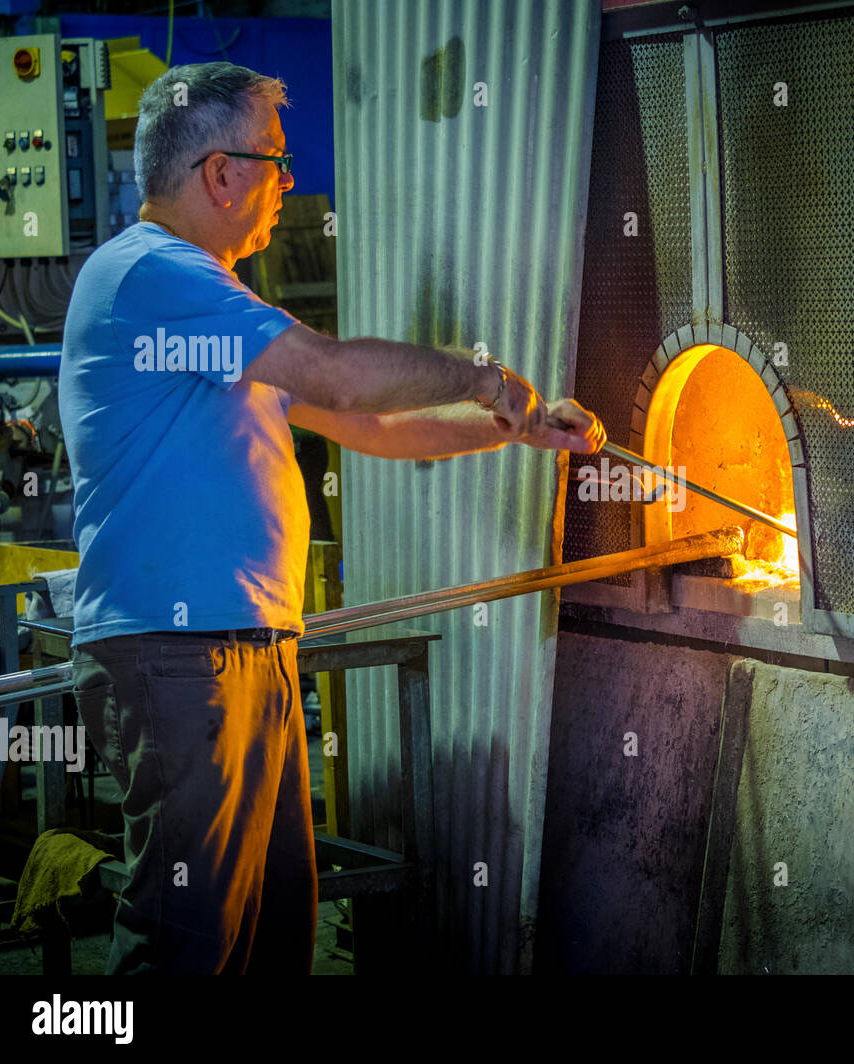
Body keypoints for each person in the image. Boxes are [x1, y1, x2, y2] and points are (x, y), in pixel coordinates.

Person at [57, 61, 605, 974]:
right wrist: (481, 376)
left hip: (248, 648)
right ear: (219, 174)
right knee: (181, 946)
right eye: (274, 161)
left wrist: (513, 429)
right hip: (181, 654)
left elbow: (369, 423)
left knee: (272, 936)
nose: (287, 183)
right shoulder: (153, 276)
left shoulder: (213, 304)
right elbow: (340, 373)